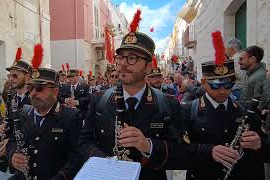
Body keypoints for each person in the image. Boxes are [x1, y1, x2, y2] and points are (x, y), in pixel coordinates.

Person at [79, 27, 202, 180]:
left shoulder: (168, 104)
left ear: (148, 67)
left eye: (132, 58)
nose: (123, 64)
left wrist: (148, 146)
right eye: (120, 57)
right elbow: (84, 142)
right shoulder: (99, 100)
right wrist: (106, 163)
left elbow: (183, 154)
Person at [180, 32, 270, 180]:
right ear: (204, 83)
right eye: (215, 85)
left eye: (228, 85)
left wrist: (260, 143)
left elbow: (266, 149)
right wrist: (208, 151)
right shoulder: (187, 110)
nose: (222, 91)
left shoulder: (247, 111)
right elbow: (178, 150)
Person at [6, 67, 82, 180]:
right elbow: (12, 141)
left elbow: (76, 157)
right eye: (30, 88)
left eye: (39, 89)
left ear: (55, 92)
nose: (33, 93)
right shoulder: (23, 115)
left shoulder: (70, 117)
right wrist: (12, 156)